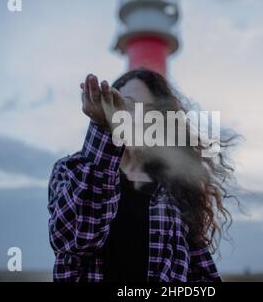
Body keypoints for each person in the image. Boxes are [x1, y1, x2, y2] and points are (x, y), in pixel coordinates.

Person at [48, 68, 238, 282]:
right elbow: (75, 240)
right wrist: (103, 130)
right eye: (127, 103)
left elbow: (200, 272)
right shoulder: (72, 170)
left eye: (149, 110)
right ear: (109, 106)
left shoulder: (176, 185)